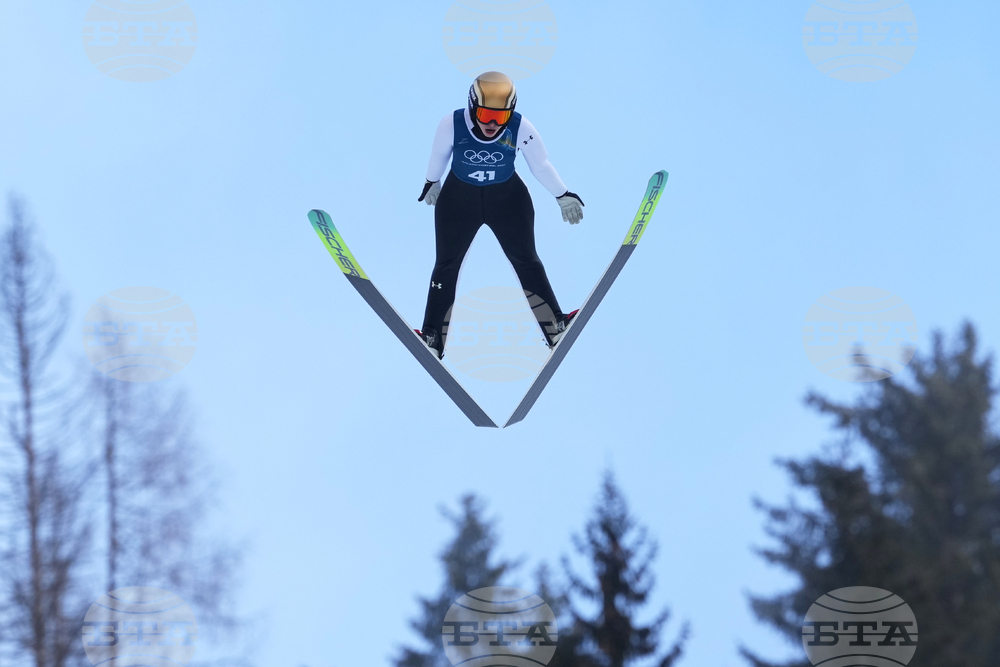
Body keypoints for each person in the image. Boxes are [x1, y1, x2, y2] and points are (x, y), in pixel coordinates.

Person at [415, 71, 584, 360]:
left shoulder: (520, 127)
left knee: (527, 260)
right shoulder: (451, 124)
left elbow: (540, 164)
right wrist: (432, 180)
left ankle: (554, 326)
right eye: (485, 114)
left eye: (501, 117)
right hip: (458, 202)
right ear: (472, 106)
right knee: (446, 265)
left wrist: (562, 194)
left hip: (507, 201)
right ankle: (432, 337)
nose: (492, 124)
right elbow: (438, 155)